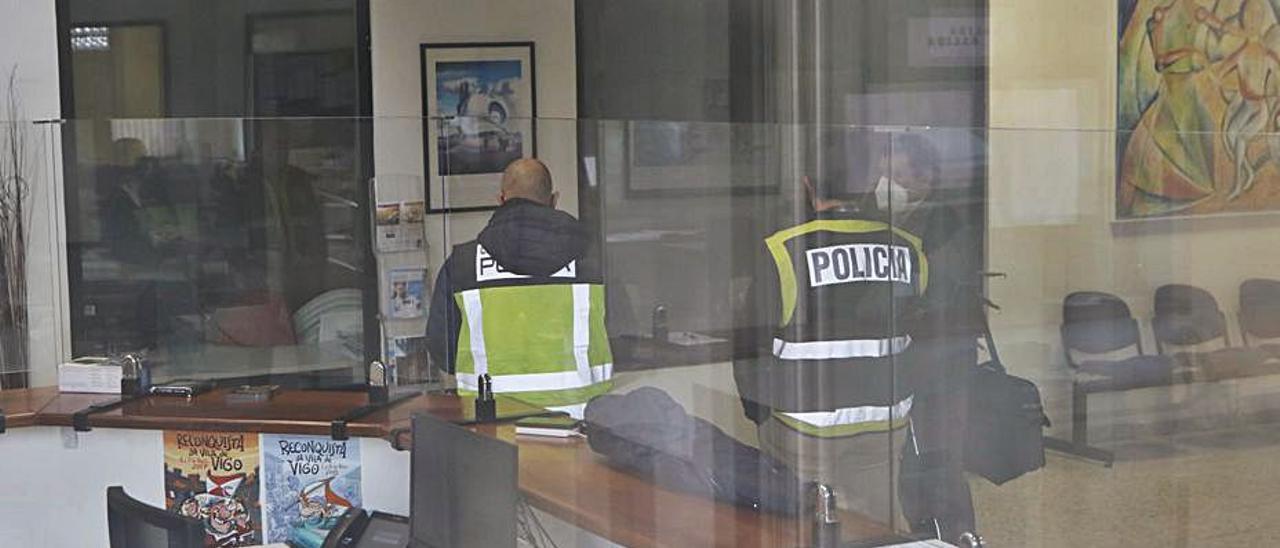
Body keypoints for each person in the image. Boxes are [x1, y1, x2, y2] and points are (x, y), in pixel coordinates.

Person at [732, 168, 931, 531]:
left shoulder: (783, 250)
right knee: (877, 526)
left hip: (804, 423)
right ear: (871, 185)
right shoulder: (906, 247)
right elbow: (924, 330)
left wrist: (758, 411)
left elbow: (748, 343)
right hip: (882, 417)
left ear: (808, 183)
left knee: (799, 527)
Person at [426, 158, 613, 419]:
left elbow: (442, 351)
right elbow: (620, 337)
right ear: (554, 199)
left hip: (488, 423)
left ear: (501, 199)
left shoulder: (463, 266)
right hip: (576, 424)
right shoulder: (591, 262)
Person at [875, 134, 982, 543]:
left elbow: (936, 289)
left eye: (897, 174)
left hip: (941, 360)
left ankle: (955, 537)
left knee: (938, 461)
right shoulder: (900, 220)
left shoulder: (943, 223)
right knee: (915, 462)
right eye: (885, 173)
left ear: (926, 176)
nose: (889, 183)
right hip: (914, 358)